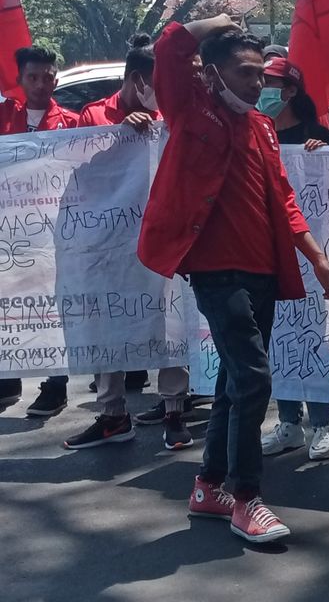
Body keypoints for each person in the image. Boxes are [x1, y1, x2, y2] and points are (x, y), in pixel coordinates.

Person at [139, 14, 329, 544]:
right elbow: (169, 50)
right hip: (215, 271)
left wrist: (317, 258)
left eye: (261, 75)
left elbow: (284, 200)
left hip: (263, 270)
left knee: (234, 381)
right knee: (253, 378)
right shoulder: (190, 108)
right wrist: (216, 21)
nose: (258, 84)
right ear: (211, 74)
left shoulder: (262, 128)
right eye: (246, 72)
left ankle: (209, 486)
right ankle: (246, 497)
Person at [59, 35, 192, 450]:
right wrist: (120, 135)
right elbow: (77, 170)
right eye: (158, 82)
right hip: (108, 245)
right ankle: (113, 414)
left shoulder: (171, 114)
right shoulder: (95, 115)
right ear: (137, 80)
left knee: (169, 319)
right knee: (107, 323)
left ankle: (174, 410)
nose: (164, 90)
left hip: (160, 240)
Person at [256, 56, 329, 462]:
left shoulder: (315, 136)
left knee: (311, 337)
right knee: (276, 339)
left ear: (290, 91)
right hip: (265, 251)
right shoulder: (255, 131)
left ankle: (324, 423)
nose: (260, 89)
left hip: (309, 253)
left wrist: (326, 154)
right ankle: (289, 423)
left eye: (269, 83)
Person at [0, 45, 79, 417]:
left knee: (52, 308)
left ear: (56, 80)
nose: (40, 84)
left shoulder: (72, 123)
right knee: (9, 303)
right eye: (32, 77)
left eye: (47, 78)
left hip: (53, 234)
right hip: (9, 234)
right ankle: (8, 376)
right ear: (19, 79)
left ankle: (56, 384)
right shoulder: (3, 117)